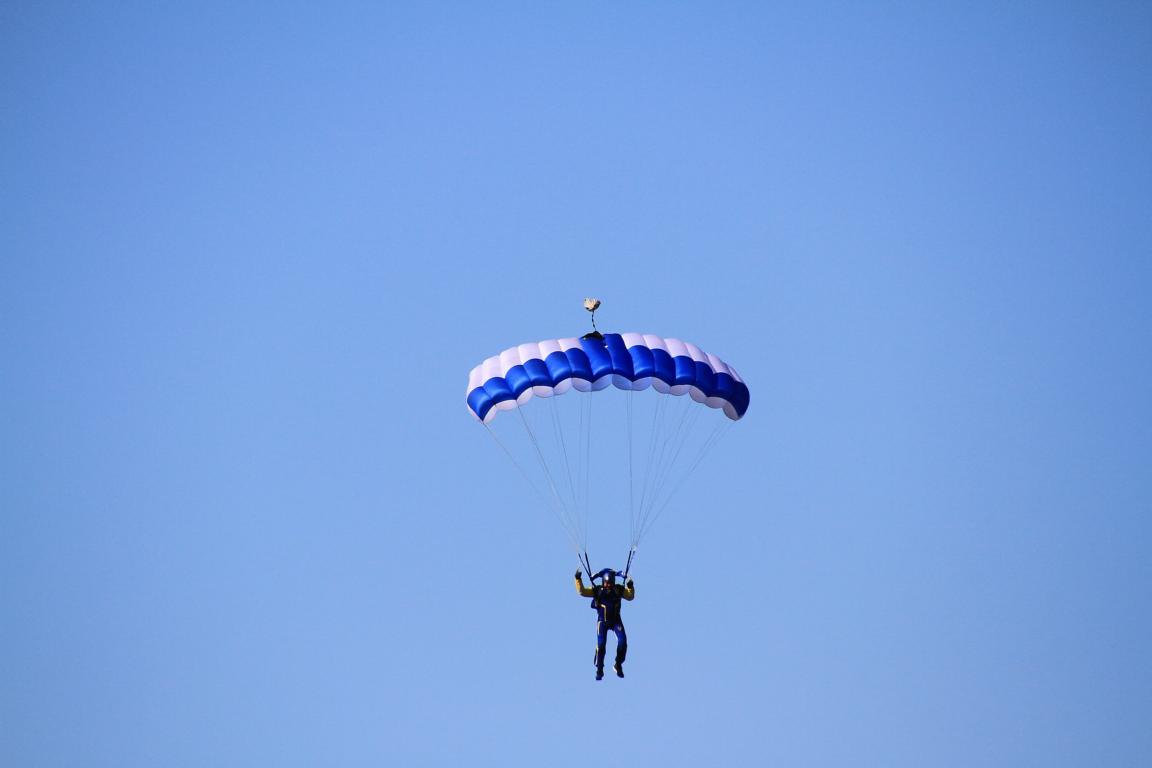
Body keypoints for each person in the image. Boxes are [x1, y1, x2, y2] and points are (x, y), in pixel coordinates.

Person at [574, 568, 635, 680]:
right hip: (602, 622)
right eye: (606, 583)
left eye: (610, 583)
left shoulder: (618, 590)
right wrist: (578, 579)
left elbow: (630, 596)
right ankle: (599, 669)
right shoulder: (598, 591)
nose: (608, 586)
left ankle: (618, 664)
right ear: (603, 582)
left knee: (622, 642)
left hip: (616, 621)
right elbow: (582, 591)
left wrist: (630, 587)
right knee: (601, 645)